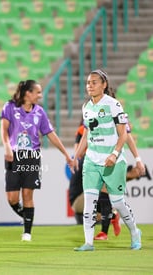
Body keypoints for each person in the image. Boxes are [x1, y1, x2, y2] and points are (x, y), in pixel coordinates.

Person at [73, 69, 142, 251]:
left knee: (118, 203)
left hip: (113, 161)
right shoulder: (86, 107)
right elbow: (86, 134)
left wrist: (115, 154)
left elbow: (123, 135)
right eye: (88, 82)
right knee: (89, 201)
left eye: (95, 82)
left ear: (104, 85)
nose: (90, 85)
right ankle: (89, 243)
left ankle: (135, 233)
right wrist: (76, 156)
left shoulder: (114, 105)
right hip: (92, 160)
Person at [0, 79, 73, 242]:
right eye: (38, 92)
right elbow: (3, 129)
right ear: (28, 93)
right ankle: (27, 217)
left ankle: (27, 232)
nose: (40, 95)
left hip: (32, 157)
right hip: (14, 156)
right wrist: (6, 147)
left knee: (27, 195)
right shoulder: (10, 107)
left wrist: (66, 154)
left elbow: (51, 134)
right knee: (12, 199)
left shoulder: (39, 112)